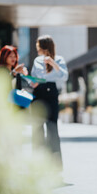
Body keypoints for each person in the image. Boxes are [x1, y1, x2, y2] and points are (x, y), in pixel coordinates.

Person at [30, 35, 68, 168]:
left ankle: (55, 166)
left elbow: (64, 76)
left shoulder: (59, 59)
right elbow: (34, 79)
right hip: (38, 93)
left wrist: (53, 63)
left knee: (52, 129)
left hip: (51, 93)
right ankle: (37, 165)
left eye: (38, 47)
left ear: (44, 47)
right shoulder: (37, 60)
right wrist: (31, 81)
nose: (37, 50)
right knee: (37, 129)